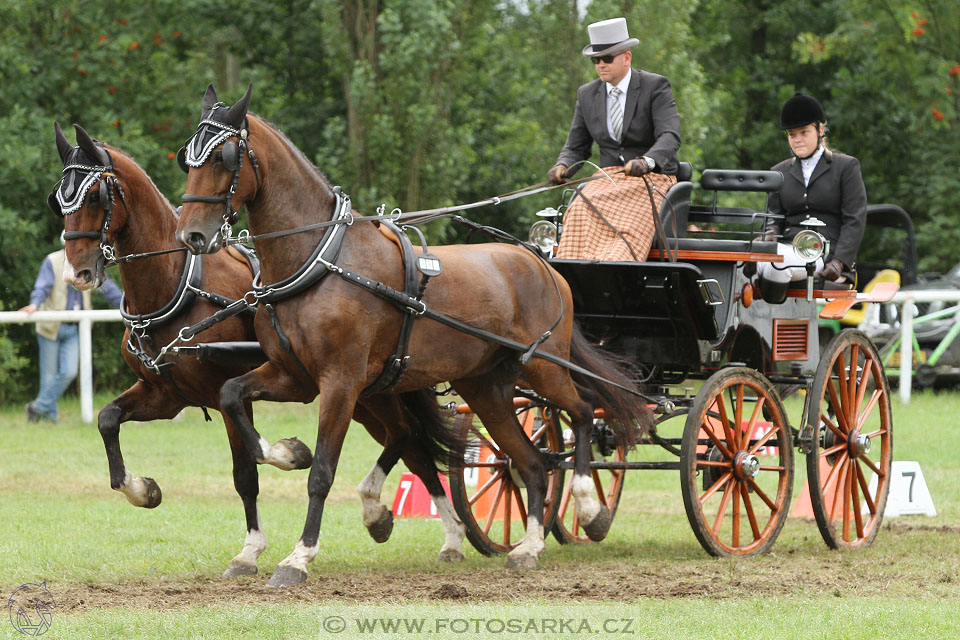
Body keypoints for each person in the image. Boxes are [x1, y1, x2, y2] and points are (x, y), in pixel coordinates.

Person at [547, 16, 682, 261]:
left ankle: (617, 271)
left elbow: (670, 136)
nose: (600, 65)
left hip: (651, 179)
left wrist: (647, 161)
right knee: (577, 210)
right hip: (606, 179)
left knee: (629, 224)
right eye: (596, 60)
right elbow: (576, 145)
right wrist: (562, 165)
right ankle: (572, 274)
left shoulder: (655, 87)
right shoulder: (587, 94)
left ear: (626, 57)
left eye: (607, 58)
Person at [757, 92, 868, 302]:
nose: (797, 140)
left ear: (820, 130)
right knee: (744, 259)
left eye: (803, 132)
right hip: (788, 246)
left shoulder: (846, 166)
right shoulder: (779, 171)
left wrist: (840, 261)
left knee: (776, 262)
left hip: (823, 255)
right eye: (792, 134)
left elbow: (855, 219)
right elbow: (773, 217)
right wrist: (769, 233)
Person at [19, 236, 122, 423]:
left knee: (69, 372)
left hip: (75, 327)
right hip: (51, 326)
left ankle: (36, 407)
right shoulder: (52, 261)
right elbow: (41, 287)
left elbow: (108, 289)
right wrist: (34, 304)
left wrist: (125, 304)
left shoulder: (90, 262)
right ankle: (49, 417)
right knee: (48, 375)